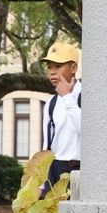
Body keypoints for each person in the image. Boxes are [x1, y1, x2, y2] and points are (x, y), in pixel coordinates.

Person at [35, 38, 81, 199]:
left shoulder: (87, 96)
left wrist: (68, 97)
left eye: (58, 66)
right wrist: (41, 185)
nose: (52, 71)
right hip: (56, 171)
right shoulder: (51, 103)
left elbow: (87, 130)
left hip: (82, 173)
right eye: (49, 67)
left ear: (73, 67)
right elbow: (48, 146)